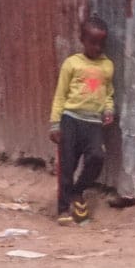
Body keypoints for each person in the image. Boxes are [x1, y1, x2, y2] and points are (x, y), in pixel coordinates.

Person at [50, 16, 115, 225]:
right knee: (66, 166)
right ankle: (63, 210)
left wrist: (108, 109)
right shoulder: (72, 64)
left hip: (93, 123)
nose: (97, 47)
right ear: (82, 40)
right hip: (71, 119)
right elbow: (60, 95)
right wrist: (55, 124)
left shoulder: (107, 66)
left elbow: (108, 93)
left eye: (101, 43)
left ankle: (78, 191)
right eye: (93, 42)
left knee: (97, 157)